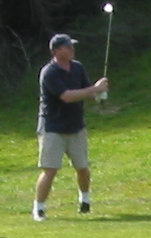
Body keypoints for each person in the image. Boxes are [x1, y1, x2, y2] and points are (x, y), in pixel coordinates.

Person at [34, 32, 107, 220]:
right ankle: (39, 208)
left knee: (82, 167)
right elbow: (66, 96)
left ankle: (85, 200)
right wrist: (94, 89)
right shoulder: (49, 72)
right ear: (57, 51)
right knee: (50, 170)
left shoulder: (77, 68)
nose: (72, 50)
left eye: (72, 46)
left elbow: (85, 92)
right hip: (52, 128)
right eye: (68, 47)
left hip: (75, 126)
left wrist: (99, 92)